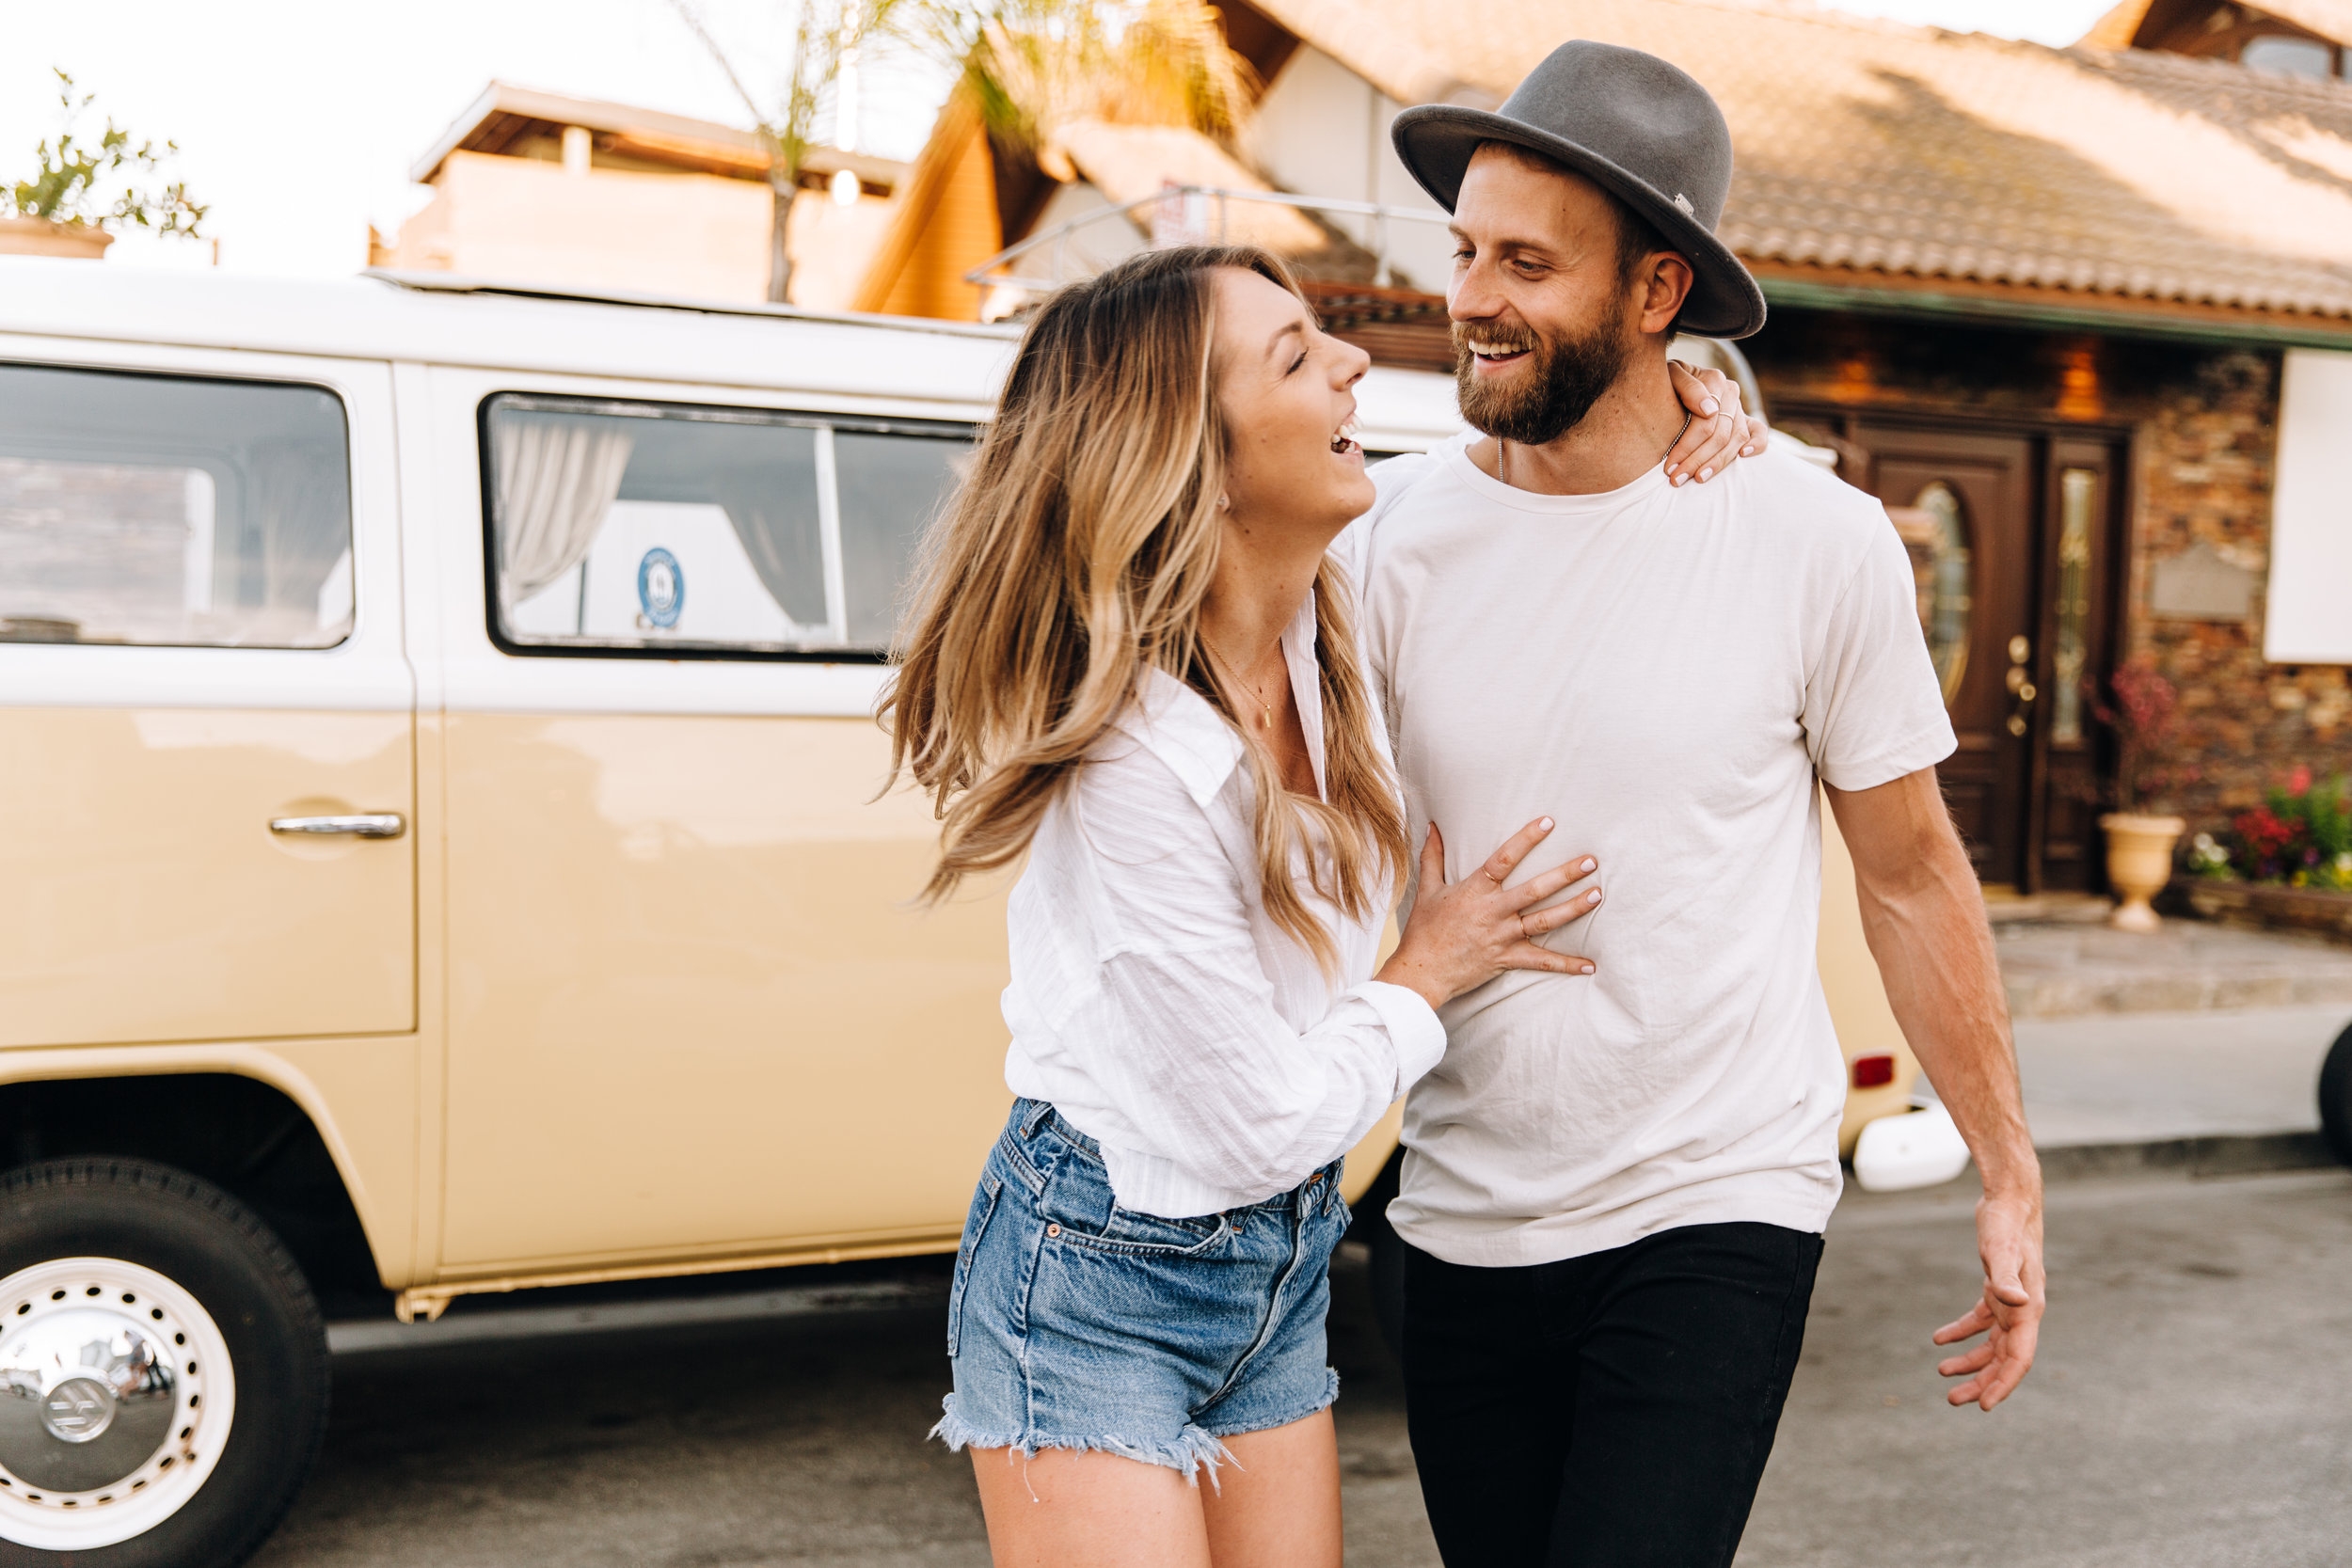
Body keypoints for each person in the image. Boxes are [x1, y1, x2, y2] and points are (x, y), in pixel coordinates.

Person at [882, 244, 1757, 1568]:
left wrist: (1682, 393)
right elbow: (1256, 1126)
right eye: (1297, 356)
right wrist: (1430, 968)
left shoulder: (1325, 598)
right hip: (1094, 1272)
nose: (1354, 363)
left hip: (1278, 1267)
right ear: (1196, 459)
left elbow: (1532, 473)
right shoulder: (1133, 769)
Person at [1345, 39, 2047, 1568]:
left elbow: (1914, 875)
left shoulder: (1816, 537)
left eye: (1527, 261)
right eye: (1466, 250)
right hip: (1455, 1206)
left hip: (1712, 1201)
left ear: (1656, 294)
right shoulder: (1383, 536)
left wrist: (2008, 1171)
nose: (1472, 296)